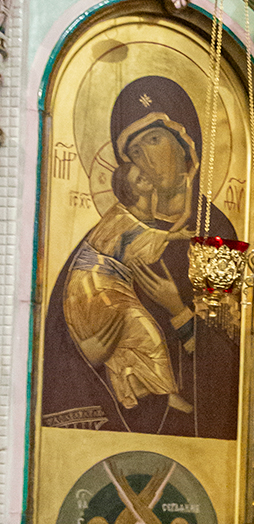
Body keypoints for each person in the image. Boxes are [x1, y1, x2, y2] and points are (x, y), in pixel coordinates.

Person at [42, 76, 242, 439]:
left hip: (193, 432)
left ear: (186, 144)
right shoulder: (109, 234)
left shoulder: (216, 236)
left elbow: (230, 351)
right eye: (135, 151)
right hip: (113, 426)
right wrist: (88, 352)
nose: (147, 158)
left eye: (154, 140)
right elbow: (61, 335)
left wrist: (177, 310)